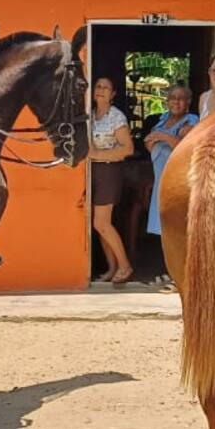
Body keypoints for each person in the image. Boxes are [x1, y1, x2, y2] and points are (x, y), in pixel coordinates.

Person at [145, 86, 198, 290]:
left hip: (178, 179)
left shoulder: (192, 121)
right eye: (172, 98)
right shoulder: (163, 119)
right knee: (162, 227)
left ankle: (179, 275)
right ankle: (167, 272)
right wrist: (158, 139)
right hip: (160, 176)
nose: (176, 102)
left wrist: (163, 137)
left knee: (178, 226)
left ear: (188, 102)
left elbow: (186, 148)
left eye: (181, 99)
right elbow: (149, 142)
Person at [89, 77, 134, 284]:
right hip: (93, 172)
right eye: (98, 86)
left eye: (106, 88)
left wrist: (98, 154)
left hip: (109, 172)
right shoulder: (90, 115)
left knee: (101, 223)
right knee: (99, 225)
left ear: (113, 94)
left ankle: (125, 266)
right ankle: (111, 267)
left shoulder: (116, 117)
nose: (100, 90)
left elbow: (127, 148)